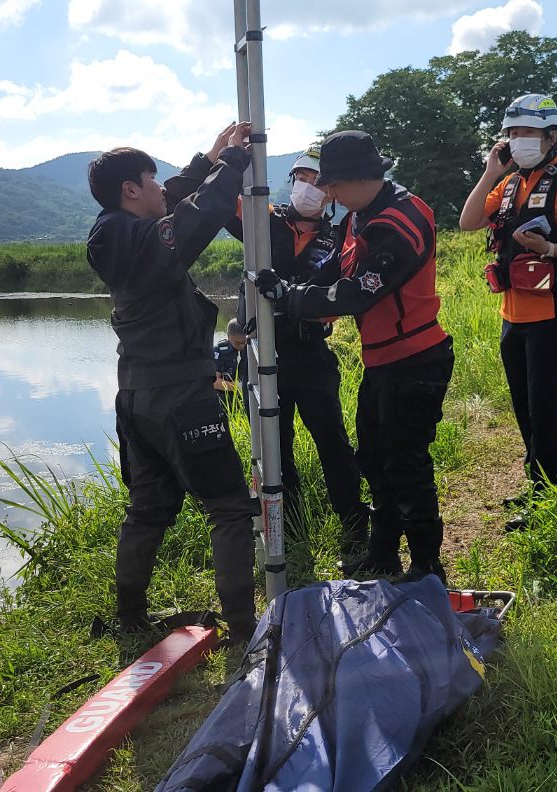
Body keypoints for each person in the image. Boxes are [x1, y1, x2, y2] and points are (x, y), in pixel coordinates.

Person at [85, 122, 258, 643]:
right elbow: (187, 224)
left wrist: (206, 162)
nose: (162, 188)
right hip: (179, 397)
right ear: (129, 190)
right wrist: (231, 167)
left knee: (148, 509)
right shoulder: (122, 234)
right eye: (152, 180)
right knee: (229, 507)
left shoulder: (118, 230)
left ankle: (130, 617)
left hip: (139, 397)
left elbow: (174, 205)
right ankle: (244, 628)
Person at [255, 130, 453, 584]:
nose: (327, 194)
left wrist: (294, 297)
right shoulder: (359, 217)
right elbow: (332, 270)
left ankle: (427, 565)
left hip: (417, 358)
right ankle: (383, 554)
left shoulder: (399, 220)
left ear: (359, 178)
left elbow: (356, 293)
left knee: (406, 462)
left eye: (332, 185)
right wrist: (291, 288)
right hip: (383, 360)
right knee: (374, 458)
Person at [166, 146, 369, 571]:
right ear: (290, 180)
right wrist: (224, 154)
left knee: (333, 442)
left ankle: (355, 532)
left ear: (331, 191)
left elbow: (344, 294)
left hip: (310, 352)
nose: (307, 188)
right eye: (301, 178)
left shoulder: (338, 237)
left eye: (316, 182)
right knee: (276, 450)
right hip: (261, 353)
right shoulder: (263, 219)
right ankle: (289, 536)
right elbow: (217, 201)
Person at [457, 93, 557, 531]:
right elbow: (468, 222)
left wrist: (551, 248)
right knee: (523, 403)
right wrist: (489, 174)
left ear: (551, 136)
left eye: (526, 132)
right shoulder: (507, 185)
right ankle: (536, 480)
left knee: (543, 404)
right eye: (512, 133)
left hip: (552, 314)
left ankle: (547, 493)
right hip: (512, 313)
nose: (517, 140)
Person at [213, 318, 247, 403]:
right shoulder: (219, 350)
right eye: (238, 343)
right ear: (229, 336)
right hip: (226, 397)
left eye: (244, 342)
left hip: (248, 395)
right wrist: (238, 387)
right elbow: (214, 381)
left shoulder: (251, 348)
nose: (242, 346)